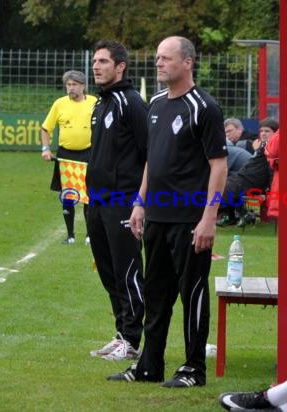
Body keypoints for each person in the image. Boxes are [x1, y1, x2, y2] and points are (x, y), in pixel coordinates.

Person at [108, 36, 228, 387]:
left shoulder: (203, 107)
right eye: (158, 57)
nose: (159, 63)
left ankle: (194, 368)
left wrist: (209, 217)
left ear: (188, 62)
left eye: (167, 58)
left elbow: (219, 167)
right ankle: (149, 365)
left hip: (190, 220)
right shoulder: (156, 103)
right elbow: (152, 161)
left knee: (192, 293)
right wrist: (140, 202)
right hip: (156, 218)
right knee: (157, 296)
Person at [86, 40, 147, 360]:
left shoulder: (131, 102)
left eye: (103, 62)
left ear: (120, 66)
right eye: (95, 61)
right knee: (108, 271)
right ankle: (122, 332)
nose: (96, 66)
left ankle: (133, 339)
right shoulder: (101, 103)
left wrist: (140, 200)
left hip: (122, 201)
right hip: (96, 201)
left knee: (127, 270)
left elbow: (149, 153)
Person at [41, 70, 96, 244]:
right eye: (68, 85)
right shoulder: (60, 104)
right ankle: (70, 235)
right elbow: (45, 129)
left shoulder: (94, 102)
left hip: (89, 154)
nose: (71, 88)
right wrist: (45, 148)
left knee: (89, 195)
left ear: (83, 86)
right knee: (68, 195)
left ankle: (90, 235)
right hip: (66, 155)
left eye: (74, 85)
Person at [217, 138, 274, 227]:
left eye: (266, 131)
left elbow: (221, 171)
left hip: (252, 181)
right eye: (262, 130)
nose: (263, 133)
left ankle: (236, 215)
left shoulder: (223, 152)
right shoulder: (263, 149)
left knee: (228, 187)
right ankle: (232, 214)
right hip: (245, 177)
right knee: (227, 186)